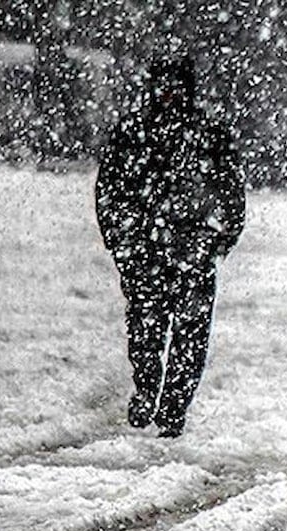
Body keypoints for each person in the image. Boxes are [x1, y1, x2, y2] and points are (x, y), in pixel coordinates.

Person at [95, 55, 245, 437]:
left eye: (176, 86)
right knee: (146, 328)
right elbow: (109, 191)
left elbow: (231, 192)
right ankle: (147, 389)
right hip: (146, 251)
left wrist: (217, 240)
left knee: (189, 337)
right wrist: (122, 240)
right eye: (164, 86)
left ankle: (173, 407)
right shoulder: (133, 133)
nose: (169, 94)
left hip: (191, 251)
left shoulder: (208, 134)